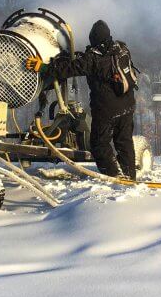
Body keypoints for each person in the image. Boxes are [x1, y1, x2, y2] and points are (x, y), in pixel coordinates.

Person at [25, 20, 138, 180]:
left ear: (93, 39)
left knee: (99, 144)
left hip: (106, 110)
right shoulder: (121, 49)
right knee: (124, 142)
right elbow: (90, 60)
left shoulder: (92, 59)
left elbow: (68, 69)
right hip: (127, 105)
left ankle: (113, 176)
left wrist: (42, 67)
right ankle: (129, 176)